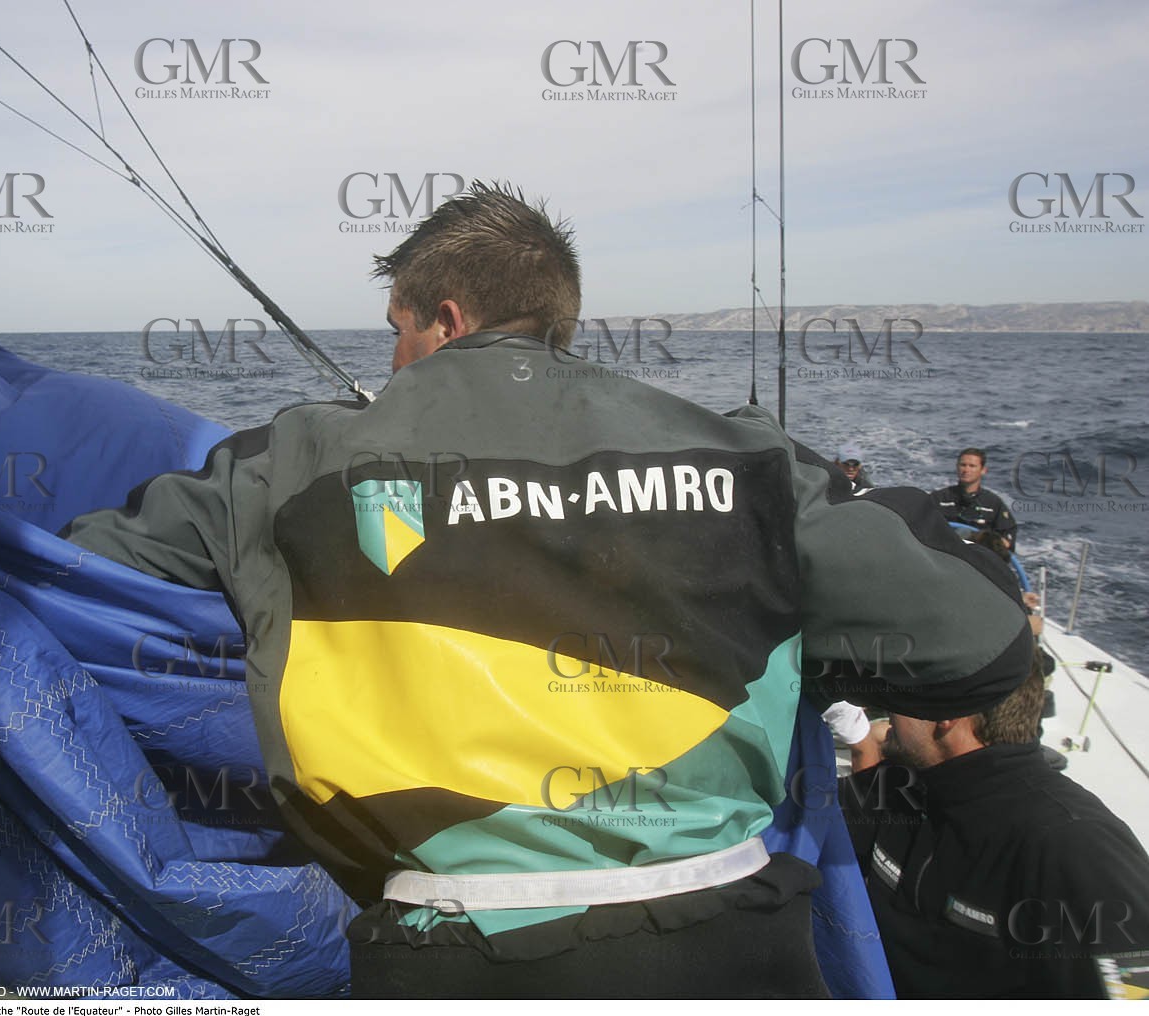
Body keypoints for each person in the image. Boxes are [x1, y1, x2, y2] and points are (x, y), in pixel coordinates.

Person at [61, 182, 1033, 998]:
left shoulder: (280, 468)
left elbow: (74, 570)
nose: (390, 364)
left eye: (395, 333)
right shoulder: (744, 459)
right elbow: (983, 641)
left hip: (443, 963)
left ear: (444, 319)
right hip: (739, 955)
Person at [842, 647, 1149, 998]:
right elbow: (803, 820)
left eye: (897, 691)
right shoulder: (903, 784)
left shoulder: (1076, 844)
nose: (888, 709)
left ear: (945, 711)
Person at [931, 447, 1017, 548]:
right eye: (963, 465)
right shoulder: (938, 498)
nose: (966, 470)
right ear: (957, 467)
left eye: (972, 466)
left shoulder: (993, 503)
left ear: (983, 470)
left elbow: (1007, 538)